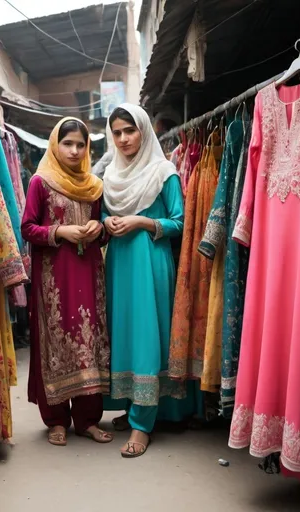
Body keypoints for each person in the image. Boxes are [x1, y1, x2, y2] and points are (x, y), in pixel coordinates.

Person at [103, 104, 201, 458]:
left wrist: (142, 222)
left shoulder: (164, 172)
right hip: (120, 263)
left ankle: (143, 425)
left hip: (150, 261)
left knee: (147, 333)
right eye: (117, 132)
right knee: (125, 334)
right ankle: (134, 408)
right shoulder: (111, 176)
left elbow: (180, 222)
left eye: (130, 130)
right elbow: (104, 214)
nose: (125, 138)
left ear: (144, 131)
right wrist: (108, 223)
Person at [21, 117, 113, 447]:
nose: (74, 150)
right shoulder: (40, 183)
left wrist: (98, 230)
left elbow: (103, 231)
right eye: (67, 143)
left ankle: (87, 420)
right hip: (53, 278)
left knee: (90, 340)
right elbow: (27, 228)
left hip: (89, 272)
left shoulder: (94, 185)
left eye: (80, 145)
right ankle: (56, 420)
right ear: (55, 144)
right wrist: (60, 231)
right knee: (56, 341)